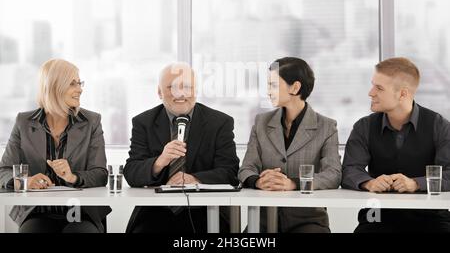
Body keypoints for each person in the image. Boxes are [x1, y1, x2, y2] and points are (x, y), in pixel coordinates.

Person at [124, 62, 239, 233]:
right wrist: (159, 162)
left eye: (186, 86)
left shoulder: (220, 122)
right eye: (171, 87)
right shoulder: (143, 122)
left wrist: (195, 180)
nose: (180, 93)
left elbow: (230, 172)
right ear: (159, 92)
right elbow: (131, 173)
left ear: (196, 90)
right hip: (156, 210)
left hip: (206, 209)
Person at [0, 59, 111, 233]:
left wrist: (73, 177)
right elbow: (3, 171)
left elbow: (100, 174)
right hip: (38, 211)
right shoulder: (24, 122)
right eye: (72, 83)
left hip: (80, 211)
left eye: (79, 82)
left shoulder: (92, 121)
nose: (80, 89)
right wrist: (25, 181)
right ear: (54, 87)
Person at [342, 57, 450, 233]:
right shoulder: (364, 126)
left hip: (431, 217)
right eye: (373, 85)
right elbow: (349, 169)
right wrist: (368, 183)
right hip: (376, 216)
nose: (370, 93)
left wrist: (416, 184)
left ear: (403, 94)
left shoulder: (439, 125)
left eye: (379, 88)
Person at [238, 57, 342, 233]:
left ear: (295, 88)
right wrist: (259, 181)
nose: (268, 91)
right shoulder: (261, 122)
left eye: (273, 85)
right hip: (263, 221)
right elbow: (246, 168)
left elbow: (333, 174)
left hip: (308, 221)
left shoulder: (326, 126)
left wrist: (294, 184)